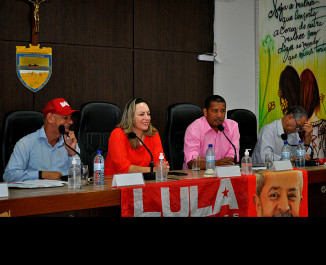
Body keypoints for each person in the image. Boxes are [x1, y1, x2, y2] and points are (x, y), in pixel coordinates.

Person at [3, 98, 79, 182]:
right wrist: (41, 174)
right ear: (50, 118)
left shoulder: (70, 142)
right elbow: (9, 176)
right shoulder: (26, 143)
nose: (71, 122)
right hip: (36, 194)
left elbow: (79, 177)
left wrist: (72, 154)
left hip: (65, 193)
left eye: (71, 118)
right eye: (65, 117)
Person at [104, 98, 168, 175]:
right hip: (114, 183)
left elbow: (161, 164)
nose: (147, 118)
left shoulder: (153, 134)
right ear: (131, 117)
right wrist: (152, 170)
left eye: (148, 114)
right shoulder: (118, 134)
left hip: (142, 182)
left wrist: (162, 168)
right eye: (141, 114)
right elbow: (123, 168)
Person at [183, 95, 240, 170]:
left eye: (222, 111)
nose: (219, 115)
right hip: (197, 175)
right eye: (215, 111)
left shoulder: (233, 127)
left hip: (223, 174)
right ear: (205, 112)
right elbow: (193, 162)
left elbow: (232, 158)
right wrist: (217, 163)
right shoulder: (194, 128)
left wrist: (204, 161)